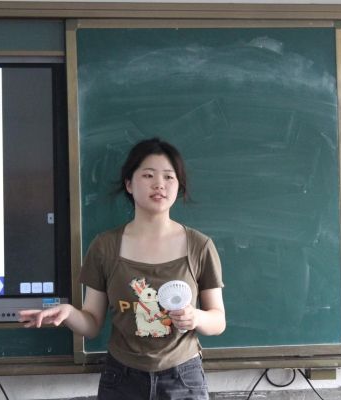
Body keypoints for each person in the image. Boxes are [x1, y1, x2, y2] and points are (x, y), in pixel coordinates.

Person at [19, 137, 225, 400]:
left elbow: (218, 320)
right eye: (148, 175)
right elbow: (92, 323)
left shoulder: (199, 246)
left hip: (182, 378)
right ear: (129, 184)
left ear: (179, 185)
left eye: (169, 177)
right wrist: (69, 313)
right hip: (122, 378)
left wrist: (196, 318)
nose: (159, 184)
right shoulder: (105, 246)